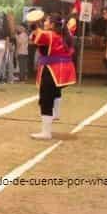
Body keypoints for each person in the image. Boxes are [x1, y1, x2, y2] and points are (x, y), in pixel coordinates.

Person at [30, 12, 79, 140]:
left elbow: (37, 37)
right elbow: (36, 37)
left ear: (52, 24)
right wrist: (37, 27)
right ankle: (56, 113)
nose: (44, 22)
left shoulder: (50, 35)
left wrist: (34, 24)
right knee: (54, 91)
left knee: (45, 99)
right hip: (62, 70)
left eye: (46, 21)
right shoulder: (63, 34)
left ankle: (46, 132)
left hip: (51, 69)